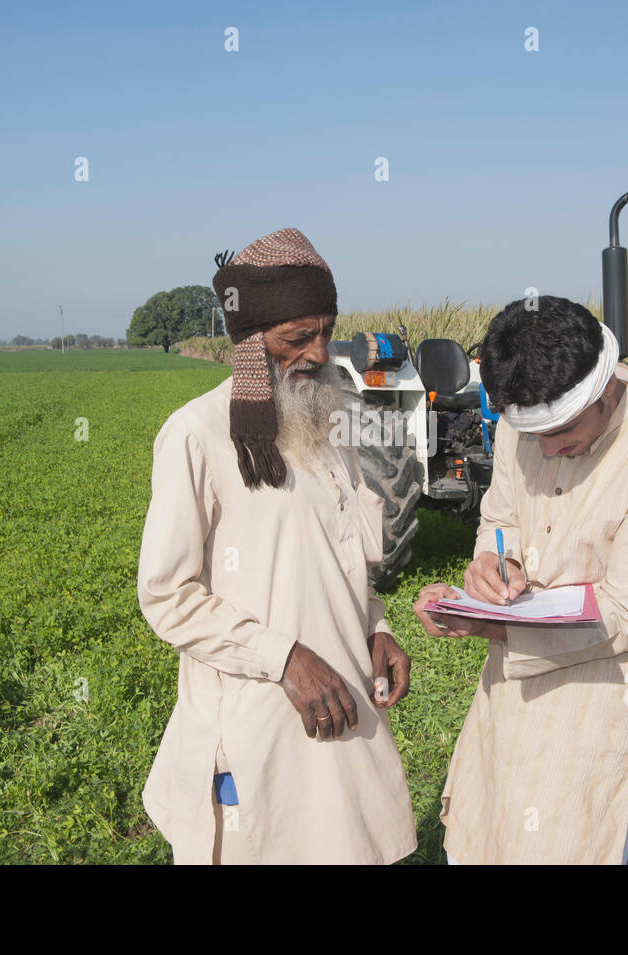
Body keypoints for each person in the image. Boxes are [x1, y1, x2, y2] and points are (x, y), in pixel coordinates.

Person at [412, 295, 628, 865]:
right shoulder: (526, 424)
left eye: (562, 431)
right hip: (512, 688)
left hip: (601, 698)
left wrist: (489, 627)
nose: (546, 449)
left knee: (570, 841)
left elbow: (620, 616)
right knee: (492, 833)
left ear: (602, 388)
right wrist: (498, 565)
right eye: (530, 434)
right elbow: (500, 516)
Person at [137, 227, 417, 864]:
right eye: (297, 338)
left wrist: (375, 625)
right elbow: (166, 596)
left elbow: (341, 550)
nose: (319, 353)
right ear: (248, 343)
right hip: (261, 714)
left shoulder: (327, 419)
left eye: (326, 330)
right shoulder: (197, 436)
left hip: (343, 699)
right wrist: (284, 658)